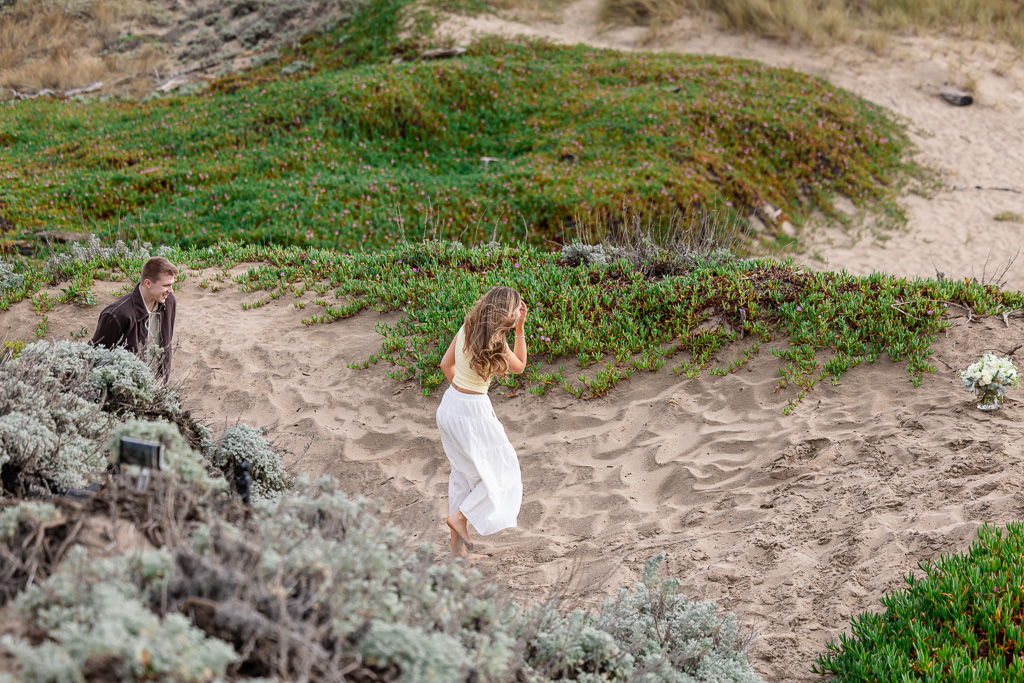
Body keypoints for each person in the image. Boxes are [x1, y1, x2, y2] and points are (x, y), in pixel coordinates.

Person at [437, 286, 528, 558]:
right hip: (474, 412)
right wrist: (521, 328)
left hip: (449, 405)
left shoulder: (467, 327)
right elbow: (520, 366)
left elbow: (445, 364)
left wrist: (459, 395)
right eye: (514, 310)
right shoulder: (498, 343)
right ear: (505, 314)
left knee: (462, 476)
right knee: (503, 472)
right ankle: (461, 517)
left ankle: (457, 552)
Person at [90, 257, 178, 381]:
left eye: (172, 284)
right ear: (148, 283)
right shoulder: (117, 314)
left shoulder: (169, 302)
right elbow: (95, 356)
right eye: (166, 285)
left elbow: (166, 345)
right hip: (125, 389)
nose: (171, 290)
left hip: (158, 386)